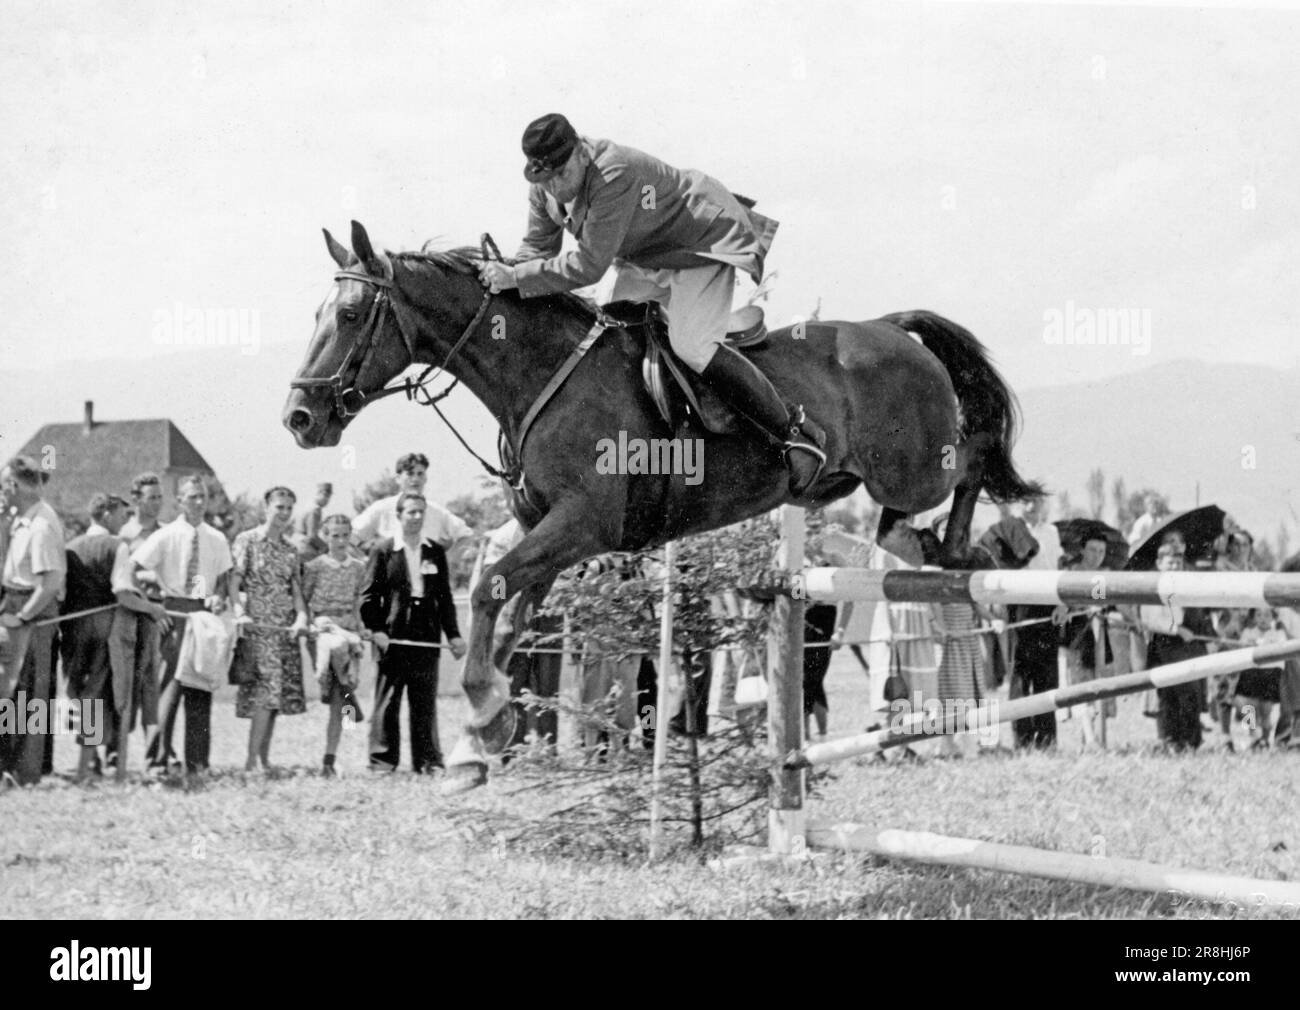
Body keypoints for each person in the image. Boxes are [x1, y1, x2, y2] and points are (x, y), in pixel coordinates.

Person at [481, 113, 825, 497]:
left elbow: (589, 266)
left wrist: (517, 278)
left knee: (691, 346)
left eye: (561, 174)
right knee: (601, 335)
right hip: (648, 253)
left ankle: (794, 433)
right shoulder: (543, 185)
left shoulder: (613, 173)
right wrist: (508, 272)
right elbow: (538, 249)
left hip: (700, 244)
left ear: (580, 151)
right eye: (545, 178)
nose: (555, 187)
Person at [131, 475, 233, 777]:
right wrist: (151, 607)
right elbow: (132, 568)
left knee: (199, 690)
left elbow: (224, 580)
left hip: (203, 617)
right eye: (192, 497)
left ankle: (197, 764)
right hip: (172, 615)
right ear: (179, 501)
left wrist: (218, 598)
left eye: (202, 497)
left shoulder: (216, 537)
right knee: (167, 691)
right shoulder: (166, 535)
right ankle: (157, 763)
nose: (199, 503)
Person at [361, 492, 466, 773]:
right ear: (399, 516)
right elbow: (368, 597)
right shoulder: (383, 550)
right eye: (411, 512)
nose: (417, 517)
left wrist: (453, 635)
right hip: (393, 633)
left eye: (421, 512)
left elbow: (444, 598)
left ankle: (428, 760)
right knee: (389, 699)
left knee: (424, 699)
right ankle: (383, 761)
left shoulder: (434, 551)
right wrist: (377, 630)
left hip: (426, 631)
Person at [229, 487, 310, 773]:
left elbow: (297, 591)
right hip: (258, 629)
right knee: (265, 694)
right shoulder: (247, 541)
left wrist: (301, 618)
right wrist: (239, 611)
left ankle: (263, 758)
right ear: (266, 508)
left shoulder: (291, 550)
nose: (284, 513)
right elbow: (234, 583)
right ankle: (251, 762)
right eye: (279, 507)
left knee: (275, 698)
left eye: (289, 508)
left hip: (283, 631)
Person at [0, 455, 66, 785]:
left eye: (3, 486)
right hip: (14, 605)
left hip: (31, 613)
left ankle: (25, 772)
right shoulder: (22, 520)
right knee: (11, 691)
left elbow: (51, 583)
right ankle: (10, 768)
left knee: (29, 694)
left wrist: (22, 617)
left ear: (14, 485)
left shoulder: (41, 525)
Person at [59, 493, 131, 780]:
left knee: (77, 690)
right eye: (120, 515)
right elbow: (122, 590)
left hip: (72, 628)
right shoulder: (117, 546)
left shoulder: (70, 547)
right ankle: (85, 765)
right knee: (96, 694)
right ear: (105, 515)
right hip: (104, 625)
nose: (124, 520)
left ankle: (85, 762)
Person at [105, 473, 168, 770]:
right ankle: (115, 751)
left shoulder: (167, 533)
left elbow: (182, 574)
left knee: (152, 686)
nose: (156, 503)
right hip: (128, 615)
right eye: (150, 497)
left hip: (158, 617)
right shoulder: (124, 534)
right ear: (137, 499)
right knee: (122, 684)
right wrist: (143, 579)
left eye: (159, 497)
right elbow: (119, 577)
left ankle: (155, 756)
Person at [303, 514, 369, 777]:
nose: (340, 541)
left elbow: (358, 601)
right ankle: (332, 681)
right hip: (325, 629)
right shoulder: (315, 566)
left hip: (349, 628)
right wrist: (310, 625)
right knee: (335, 650)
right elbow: (305, 601)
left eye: (345, 535)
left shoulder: (358, 567)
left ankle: (330, 760)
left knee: (340, 700)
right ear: (325, 536)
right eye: (334, 535)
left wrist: (361, 627)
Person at [1140, 543, 1211, 752]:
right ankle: (1170, 740)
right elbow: (1150, 620)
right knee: (1169, 694)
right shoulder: (1153, 586)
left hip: (1185, 645)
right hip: (1164, 644)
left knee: (1190, 692)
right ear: (1159, 564)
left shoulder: (1182, 585)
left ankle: (1190, 741)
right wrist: (1178, 630)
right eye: (1170, 563)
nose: (1174, 567)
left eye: (1178, 563)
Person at [352, 453, 473, 551]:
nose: (415, 479)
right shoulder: (382, 508)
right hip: (392, 573)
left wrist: (448, 562)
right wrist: (363, 562)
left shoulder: (436, 511)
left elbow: (467, 535)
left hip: (427, 574)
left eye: (420, 474)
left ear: (425, 478)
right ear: (398, 478)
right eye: (410, 474)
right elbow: (350, 535)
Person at [294, 482, 333, 561]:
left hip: (297, 544)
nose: (327, 499)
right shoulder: (315, 510)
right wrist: (327, 549)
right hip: (305, 549)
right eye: (325, 495)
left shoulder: (307, 506)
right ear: (317, 493)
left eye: (329, 496)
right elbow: (312, 536)